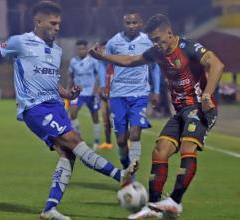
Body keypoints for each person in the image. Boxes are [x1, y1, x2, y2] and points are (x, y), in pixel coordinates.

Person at [0, 2, 137, 220]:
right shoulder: (20, 42)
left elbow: (50, 81)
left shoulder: (57, 50)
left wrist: (67, 94)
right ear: (39, 22)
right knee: (74, 140)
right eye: (53, 23)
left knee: (68, 155)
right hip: (35, 108)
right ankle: (121, 177)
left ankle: (49, 209)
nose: (57, 27)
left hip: (56, 106)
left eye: (59, 24)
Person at [90, 14, 224, 219]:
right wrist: (103, 57)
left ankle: (175, 202)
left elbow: (217, 64)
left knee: (188, 147)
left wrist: (207, 93)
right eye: (152, 40)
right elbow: (131, 60)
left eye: (159, 39)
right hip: (181, 111)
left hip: (200, 107)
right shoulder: (156, 52)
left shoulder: (188, 47)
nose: (156, 44)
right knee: (159, 150)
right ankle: (152, 207)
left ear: (170, 33)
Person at [101, 10, 161, 172]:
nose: (131, 26)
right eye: (128, 23)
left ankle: (132, 173)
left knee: (134, 134)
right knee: (121, 140)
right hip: (117, 95)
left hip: (140, 94)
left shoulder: (147, 42)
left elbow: (155, 67)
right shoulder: (114, 42)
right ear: (124, 24)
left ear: (140, 23)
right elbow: (103, 63)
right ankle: (125, 165)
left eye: (134, 22)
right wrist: (102, 85)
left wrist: (156, 90)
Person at [67, 40, 101, 150]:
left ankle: (96, 141)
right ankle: (78, 139)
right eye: (79, 49)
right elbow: (70, 76)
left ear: (87, 49)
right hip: (78, 93)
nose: (81, 51)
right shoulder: (73, 61)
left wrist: (95, 89)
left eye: (83, 48)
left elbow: (98, 75)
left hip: (91, 93)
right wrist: (68, 90)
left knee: (95, 116)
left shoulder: (92, 61)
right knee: (72, 113)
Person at [97, 40, 114, 150]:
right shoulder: (100, 63)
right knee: (105, 119)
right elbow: (99, 78)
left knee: (117, 120)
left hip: (114, 95)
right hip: (103, 96)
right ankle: (108, 142)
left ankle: (126, 141)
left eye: (106, 48)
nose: (104, 50)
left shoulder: (115, 62)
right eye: (102, 48)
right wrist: (100, 90)